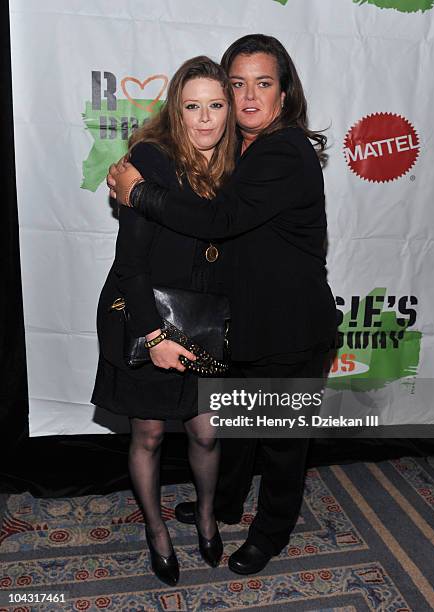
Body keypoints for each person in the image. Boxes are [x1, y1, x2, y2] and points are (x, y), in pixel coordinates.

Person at [108, 34, 337, 575]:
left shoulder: (283, 149)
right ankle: (226, 504)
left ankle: (269, 534)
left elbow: (218, 222)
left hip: (293, 327)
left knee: (282, 445)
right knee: (233, 427)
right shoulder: (238, 149)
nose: (249, 97)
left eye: (264, 84)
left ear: (285, 93)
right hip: (242, 323)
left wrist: (137, 193)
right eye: (238, 85)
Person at [91, 56, 237, 586]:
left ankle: (203, 517)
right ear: (175, 109)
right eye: (192, 106)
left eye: (215, 106)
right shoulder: (150, 162)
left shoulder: (237, 166)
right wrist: (154, 337)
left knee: (207, 432)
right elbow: (129, 268)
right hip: (143, 314)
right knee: (149, 434)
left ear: (229, 110)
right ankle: (157, 531)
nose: (204, 119)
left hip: (204, 321)